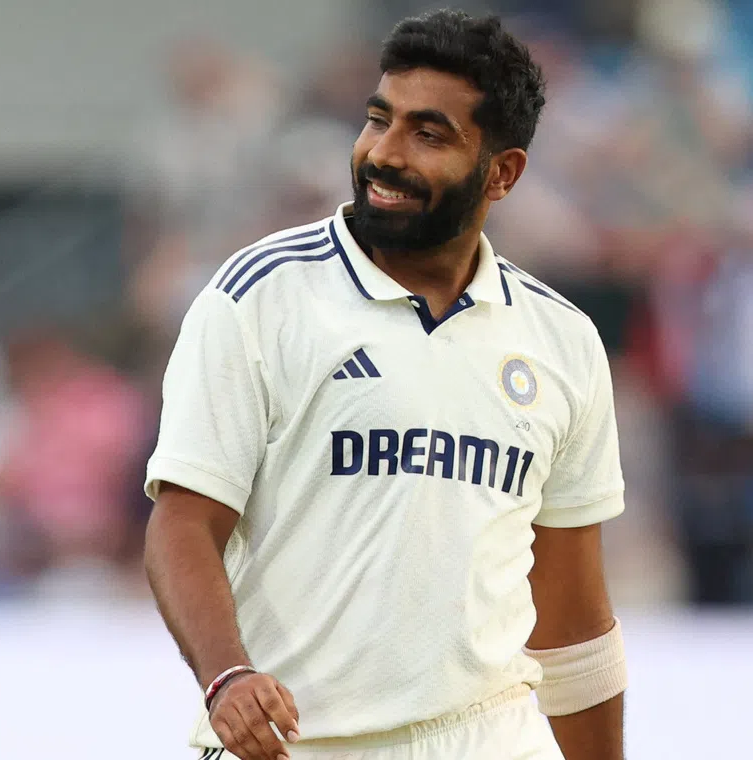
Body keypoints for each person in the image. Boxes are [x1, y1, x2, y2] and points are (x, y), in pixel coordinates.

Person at [144, 10, 627, 760]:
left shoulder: (562, 340)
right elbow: (181, 525)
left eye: (428, 135)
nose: (383, 154)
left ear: (502, 172)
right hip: (295, 746)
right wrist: (227, 677)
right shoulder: (260, 296)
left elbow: (573, 620)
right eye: (379, 120)